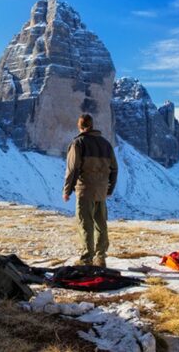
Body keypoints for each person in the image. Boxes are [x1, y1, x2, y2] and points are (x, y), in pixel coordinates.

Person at [62, 114, 118, 268]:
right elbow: (114, 169)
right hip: (101, 191)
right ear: (92, 125)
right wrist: (110, 188)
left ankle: (87, 258)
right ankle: (101, 258)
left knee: (85, 223)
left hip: (85, 190)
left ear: (79, 126)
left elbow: (73, 169)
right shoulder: (106, 144)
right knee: (101, 223)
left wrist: (67, 190)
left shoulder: (78, 143)